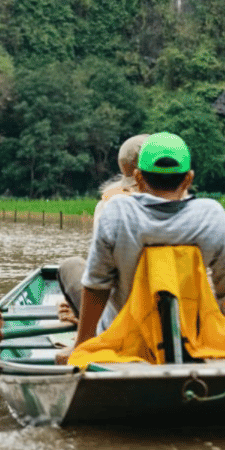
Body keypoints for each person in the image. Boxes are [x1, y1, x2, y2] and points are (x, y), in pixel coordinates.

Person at [57, 132, 225, 364]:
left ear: (138, 178)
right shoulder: (211, 215)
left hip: (123, 341)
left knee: (70, 266)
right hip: (194, 339)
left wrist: (81, 347)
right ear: (188, 179)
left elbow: (96, 284)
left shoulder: (117, 211)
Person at [57, 134, 150, 323]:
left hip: (123, 319)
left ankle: (93, 327)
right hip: (174, 310)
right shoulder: (189, 211)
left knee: (71, 265)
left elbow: (99, 273)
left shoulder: (110, 206)